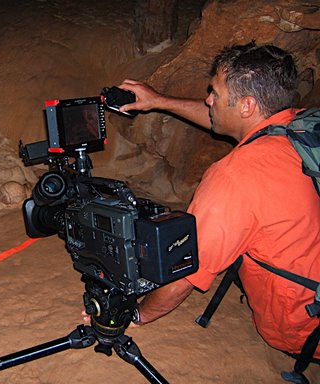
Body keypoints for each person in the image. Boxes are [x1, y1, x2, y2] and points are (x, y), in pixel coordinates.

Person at [118, 43, 320, 362]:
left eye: (214, 92)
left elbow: (186, 270)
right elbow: (224, 118)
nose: (207, 100)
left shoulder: (235, 177)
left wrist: (137, 314)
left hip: (304, 325)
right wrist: (158, 101)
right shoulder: (302, 125)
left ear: (247, 106)